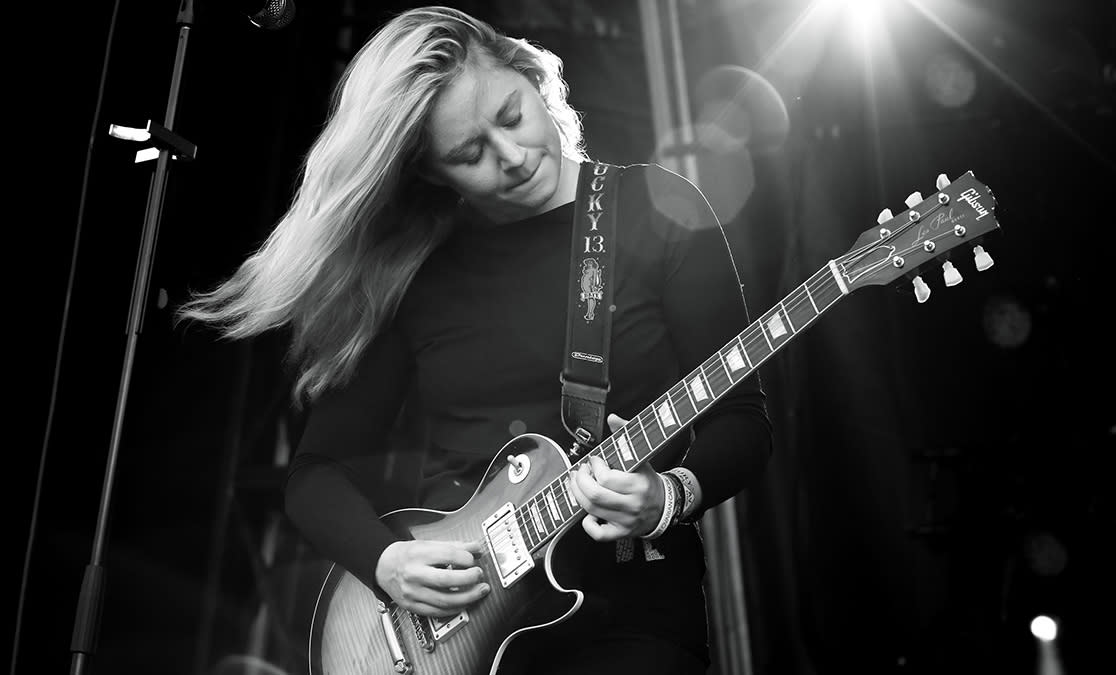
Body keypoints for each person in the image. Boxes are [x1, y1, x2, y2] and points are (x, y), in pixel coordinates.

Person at [177, 5, 771, 673]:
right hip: (451, 628)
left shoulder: (659, 209)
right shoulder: (417, 273)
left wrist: (673, 491)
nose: (512, 157)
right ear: (433, 174)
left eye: (512, 116)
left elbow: (743, 420)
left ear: (532, 76)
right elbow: (316, 476)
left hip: (632, 615)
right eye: (470, 153)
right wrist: (387, 561)